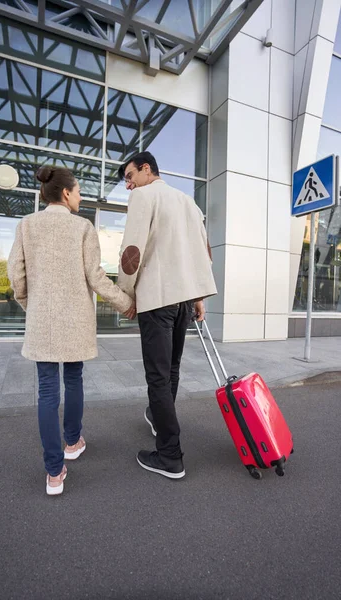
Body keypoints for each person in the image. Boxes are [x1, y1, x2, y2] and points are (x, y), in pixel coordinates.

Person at [8, 166, 135, 496]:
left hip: (42, 323)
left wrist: (30, 306)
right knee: (73, 378)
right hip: (75, 320)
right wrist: (126, 303)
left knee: (47, 390)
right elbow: (95, 277)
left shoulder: (26, 226)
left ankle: (54, 473)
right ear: (66, 193)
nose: (80, 197)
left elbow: (16, 278)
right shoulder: (82, 227)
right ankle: (72, 442)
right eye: (78, 191)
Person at [117, 151, 217, 480]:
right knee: (171, 370)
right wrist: (198, 297)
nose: (129, 185)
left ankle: (170, 455)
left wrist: (126, 293)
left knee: (157, 377)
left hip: (158, 299)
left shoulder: (144, 197)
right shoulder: (188, 202)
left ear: (147, 169)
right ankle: (159, 419)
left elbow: (132, 250)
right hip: (183, 301)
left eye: (130, 176)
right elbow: (203, 252)